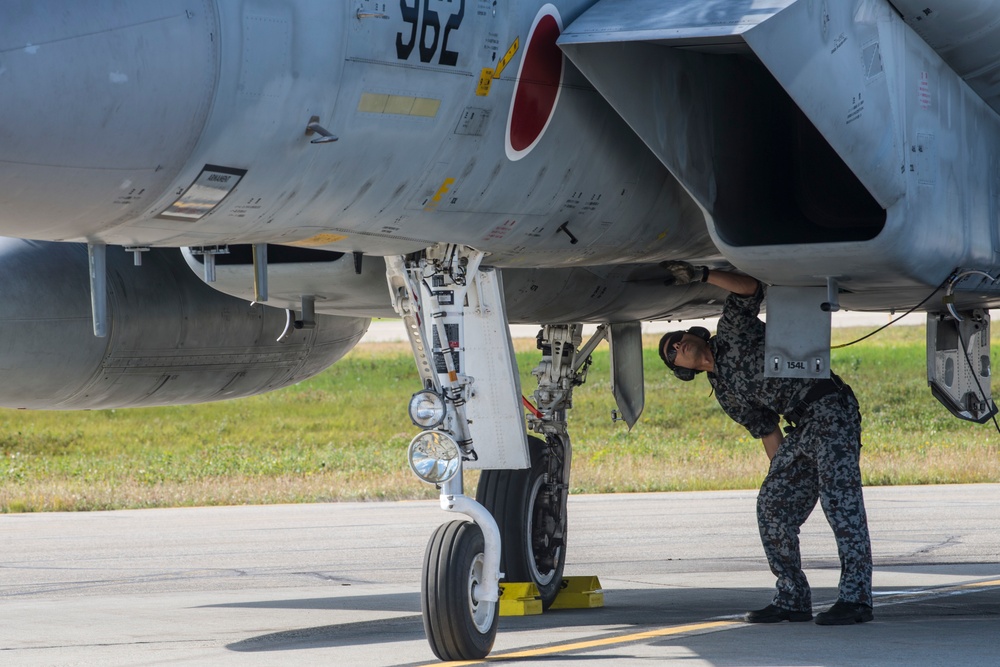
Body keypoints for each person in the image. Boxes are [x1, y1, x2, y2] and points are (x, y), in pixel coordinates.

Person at [657, 261, 873, 625]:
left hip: (830, 407)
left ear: (697, 336)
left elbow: (748, 289)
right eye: (672, 351)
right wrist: (783, 479)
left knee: (840, 502)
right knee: (772, 505)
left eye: (678, 339)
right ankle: (792, 598)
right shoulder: (726, 395)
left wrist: (702, 275)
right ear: (683, 370)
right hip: (801, 427)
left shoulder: (732, 331)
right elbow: (767, 431)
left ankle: (856, 599)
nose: (678, 345)